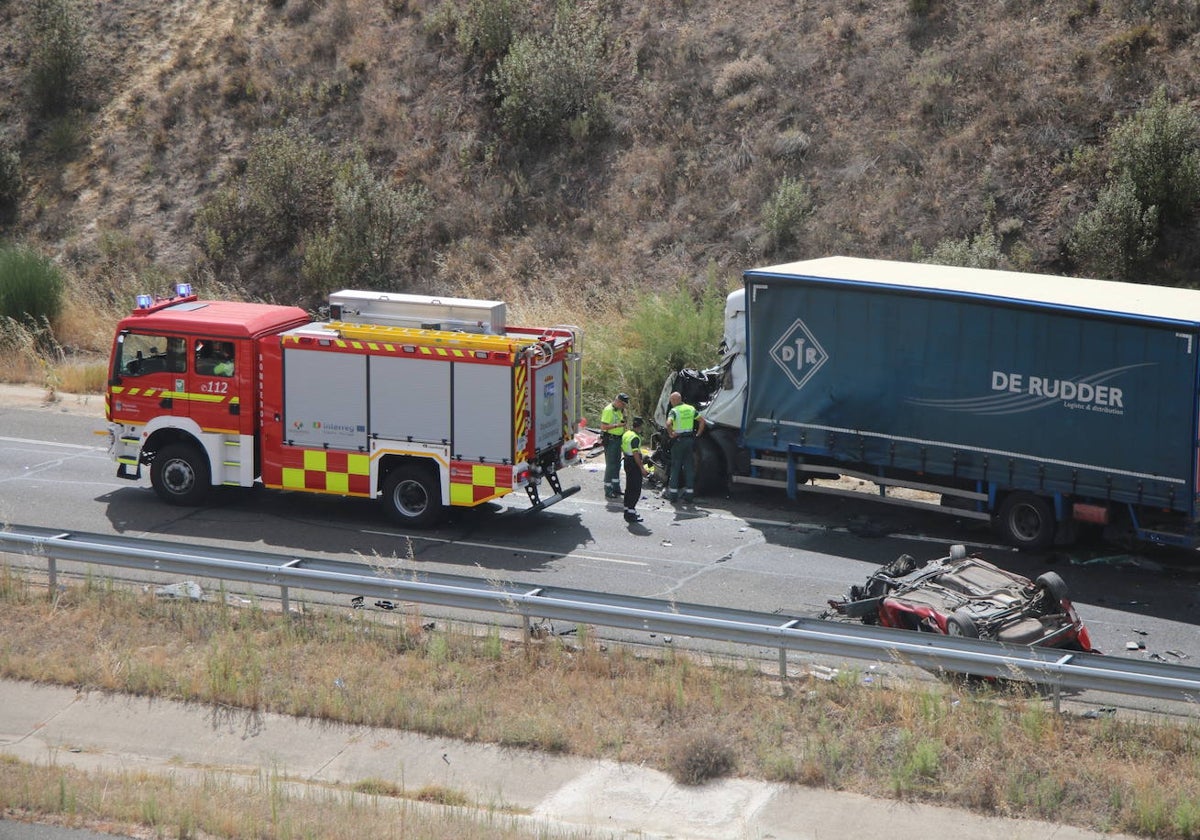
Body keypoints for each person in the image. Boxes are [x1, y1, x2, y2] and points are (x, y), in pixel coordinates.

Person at [664, 391, 706, 503]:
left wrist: (671, 433)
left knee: (676, 467)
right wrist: (698, 434)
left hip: (678, 441)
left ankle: (673, 495)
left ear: (674, 400)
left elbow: (668, 423)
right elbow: (702, 421)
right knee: (689, 467)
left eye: (671, 401)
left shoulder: (674, 411)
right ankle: (689, 495)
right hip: (689, 440)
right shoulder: (691, 409)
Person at [599, 392, 629, 500]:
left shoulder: (620, 410)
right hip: (611, 440)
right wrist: (617, 425)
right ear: (618, 401)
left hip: (618, 439)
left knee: (617, 464)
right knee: (611, 465)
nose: (624, 406)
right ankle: (608, 490)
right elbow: (603, 426)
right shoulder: (608, 410)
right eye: (623, 404)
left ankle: (616, 488)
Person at [621, 416, 650, 523]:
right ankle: (631, 513)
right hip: (633, 463)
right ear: (640, 426)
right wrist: (642, 468)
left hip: (627, 461)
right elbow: (635, 454)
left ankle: (627, 510)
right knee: (635, 489)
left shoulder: (627, 434)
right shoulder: (635, 438)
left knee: (629, 488)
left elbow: (623, 447)